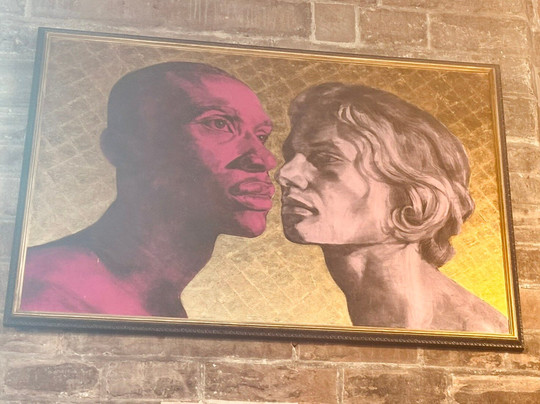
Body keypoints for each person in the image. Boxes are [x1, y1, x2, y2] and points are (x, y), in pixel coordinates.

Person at [20, 62, 276, 318]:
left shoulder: (159, 306)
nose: (264, 159)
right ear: (123, 149)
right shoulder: (46, 293)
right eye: (218, 123)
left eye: (262, 136)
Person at [276, 82, 508, 333]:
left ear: (411, 193)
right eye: (290, 157)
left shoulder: (475, 333)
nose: (285, 174)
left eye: (325, 158)